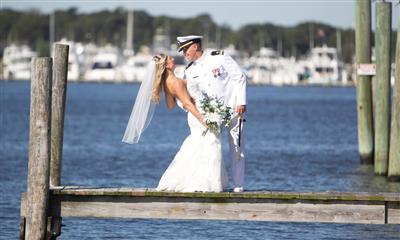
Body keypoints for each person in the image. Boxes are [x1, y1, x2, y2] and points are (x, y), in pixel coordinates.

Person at [122, 54, 228, 192]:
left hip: (194, 115)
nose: (173, 59)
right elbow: (187, 104)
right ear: (166, 65)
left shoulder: (167, 83)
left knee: (200, 145)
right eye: (170, 59)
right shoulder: (176, 82)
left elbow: (171, 105)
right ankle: (204, 183)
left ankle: (198, 181)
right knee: (210, 143)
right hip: (198, 116)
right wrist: (204, 119)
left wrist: (185, 101)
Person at [177, 35, 247, 193]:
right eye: (182, 50)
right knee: (209, 146)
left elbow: (239, 76)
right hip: (209, 115)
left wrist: (241, 102)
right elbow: (183, 96)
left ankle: (238, 185)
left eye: (185, 49)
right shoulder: (189, 70)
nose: (184, 53)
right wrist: (188, 106)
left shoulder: (219, 57)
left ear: (195, 46)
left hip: (233, 109)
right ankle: (208, 182)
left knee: (237, 146)